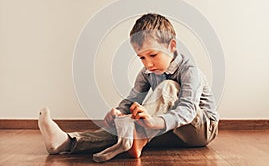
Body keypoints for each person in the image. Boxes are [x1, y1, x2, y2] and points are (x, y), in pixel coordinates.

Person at [38, 13, 219, 162]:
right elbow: (133, 99)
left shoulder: (189, 71)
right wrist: (119, 112)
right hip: (171, 130)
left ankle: (136, 136)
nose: (148, 63)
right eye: (141, 58)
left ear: (171, 46)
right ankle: (67, 142)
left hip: (201, 128)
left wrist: (154, 122)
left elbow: (187, 110)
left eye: (153, 55)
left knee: (168, 87)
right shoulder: (146, 73)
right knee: (128, 125)